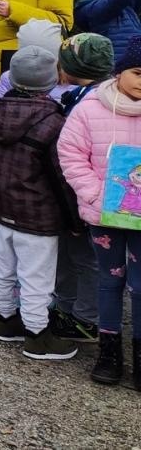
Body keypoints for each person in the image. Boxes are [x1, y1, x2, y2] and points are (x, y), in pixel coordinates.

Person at [0, 45, 81, 361]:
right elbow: (59, 175)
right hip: (38, 214)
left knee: (4, 267)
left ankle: (6, 319)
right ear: (51, 81)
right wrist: (74, 219)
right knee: (36, 277)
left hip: (4, 207)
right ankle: (38, 335)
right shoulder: (53, 122)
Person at [59, 36, 141, 387]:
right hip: (102, 215)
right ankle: (109, 353)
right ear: (120, 70)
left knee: (140, 286)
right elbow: (71, 153)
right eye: (138, 72)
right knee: (109, 281)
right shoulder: (91, 107)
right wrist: (94, 194)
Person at [49, 32, 113, 344]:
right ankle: (67, 306)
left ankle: (86, 318)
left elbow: (73, 157)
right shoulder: (89, 95)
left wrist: (75, 207)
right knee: (76, 255)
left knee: (87, 258)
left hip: (83, 198)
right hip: (85, 195)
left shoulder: (88, 104)